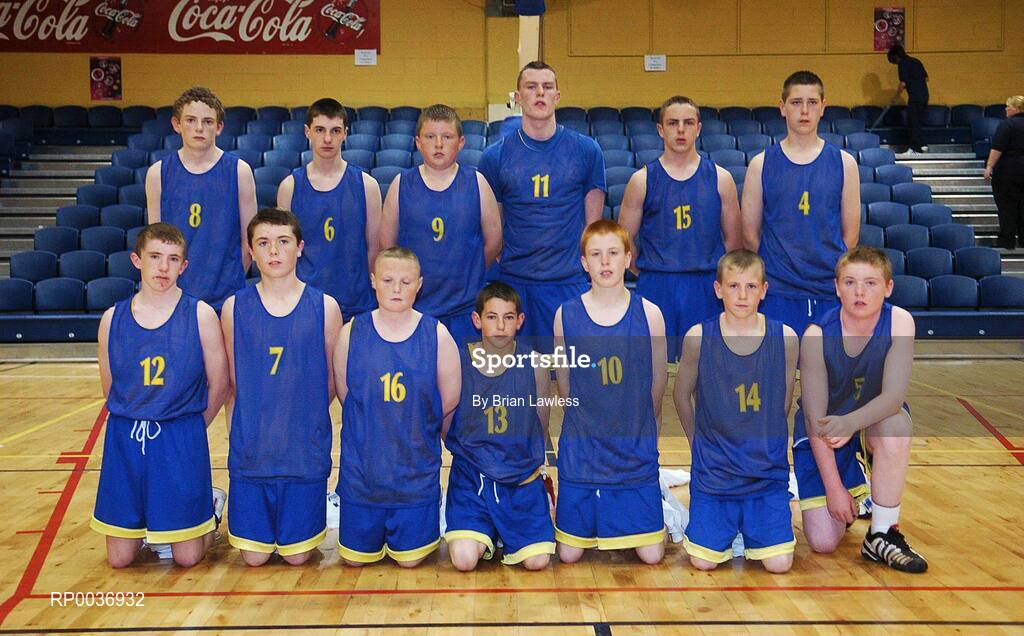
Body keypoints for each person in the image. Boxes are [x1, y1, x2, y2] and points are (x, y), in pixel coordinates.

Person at [92, 223, 229, 568]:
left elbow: (220, 383)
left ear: (184, 266)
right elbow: (111, 388)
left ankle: (210, 507)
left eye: (173, 259)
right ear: (136, 260)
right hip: (126, 438)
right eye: (154, 257)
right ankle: (150, 519)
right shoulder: (112, 319)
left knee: (187, 558)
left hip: (179, 435)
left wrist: (191, 428)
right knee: (120, 560)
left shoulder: (200, 315)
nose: (163, 267)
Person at [220, 208, 343, 566]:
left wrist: (305, 424)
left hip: (303, 454)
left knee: (298, 557)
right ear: (250, 250)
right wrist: (241, 439)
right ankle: (214, 503)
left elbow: (331, 382)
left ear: (300, 248)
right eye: (263, 243)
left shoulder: (325, 307)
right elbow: (233, 383)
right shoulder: (233, 308)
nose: (274, 251)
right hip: (253, 454)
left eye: (283, 242)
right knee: (254, 558)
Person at [795, 246, 927, 573]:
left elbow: (893, 397)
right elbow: (814, 419)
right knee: (824, 543)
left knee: (896, 427)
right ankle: (853, 483)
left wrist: (851, 422)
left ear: (888, 287)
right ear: (837, 287)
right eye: (850, 282)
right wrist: (834, 489)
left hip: (871, 421)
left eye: (870, 283)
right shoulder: (816, 335)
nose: (860, 292)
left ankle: (882, 532)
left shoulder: (899, 322)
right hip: (826, 433)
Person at [333, 247, 461, 567]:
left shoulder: (437, 335)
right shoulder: (350, 333)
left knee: (410, 562)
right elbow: (348, 395)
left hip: (414, 479)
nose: (396, 289)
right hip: (362, 478)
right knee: (355, 562)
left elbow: (449, 399)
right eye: (388, 280)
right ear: (373, 281)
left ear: (419, 284)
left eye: (406, 282)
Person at [673, 250, 799, 573]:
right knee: (702, 561)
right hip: (715, 475)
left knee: (779, 564)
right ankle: (725, 529)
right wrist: (697, 444)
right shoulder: (698, 337)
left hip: (765, 474)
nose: (742, 295)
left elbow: (783, 401)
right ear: (718, 289)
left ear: (764, 290)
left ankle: (747, 531)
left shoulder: (785, 338)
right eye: (733, 286)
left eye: (751, 286)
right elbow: (681, 395)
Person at [552, 220, 667, 564]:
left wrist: (642, 440)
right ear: (584, 262)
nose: (605, 262)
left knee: (651, 556)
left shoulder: (650, 315)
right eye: (596, 254)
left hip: (633, 454)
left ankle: (663, 509)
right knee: (569, 554)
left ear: (628, 258)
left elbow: (657, 385)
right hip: (583, 455)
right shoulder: (565, 315)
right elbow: (566, 387)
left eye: (614, 253)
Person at [478, 61, 606, 351]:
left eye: (547, 87)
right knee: (518, 372)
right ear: (517, 97)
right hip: (514, 284)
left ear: (557, 96)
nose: (540, 93)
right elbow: (493, 228)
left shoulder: (587, 150)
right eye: (531, 86)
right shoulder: (494, 157)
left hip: (568, 282)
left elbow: (593, 228)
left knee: (569, 372)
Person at [618, 95, 742, 361]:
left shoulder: (721, 179)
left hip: (705, 287)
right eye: (673, 123)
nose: (681, 130)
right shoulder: (641, 181)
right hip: (656, 285)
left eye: (688, 123)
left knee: (705, 368)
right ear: (660, 130)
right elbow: (622, 243)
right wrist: (650, 271)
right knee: (653, 368)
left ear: (699, 128)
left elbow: (734, 243)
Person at [443, 282, 555, 571]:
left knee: (537, 562)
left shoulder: (535, 364)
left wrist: (532, 463)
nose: (501, 326)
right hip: (472, 479)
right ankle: (484, 527)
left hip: (519, 480)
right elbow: (446, 420)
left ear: (520, 320)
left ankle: (513, 521)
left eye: (508, 317)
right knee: (464, 560)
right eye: (492, 317)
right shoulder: (459, 362)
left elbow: (540, 422)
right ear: (477, 319)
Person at [742, 70, 861, 336]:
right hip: (777, 291)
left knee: (826, 364)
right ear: (782, 108)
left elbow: (850, 236)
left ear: (823, 107)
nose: (804, 111)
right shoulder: (761, 164)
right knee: (779, 362)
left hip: (828, 290)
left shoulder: (844, 163)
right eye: (796, 102)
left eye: (812, 102)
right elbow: (749, 236)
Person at [379, 104, 501, 345]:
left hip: (465, 311)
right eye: (430, 137)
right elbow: (387, 246)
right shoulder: (401, 184)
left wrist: (469, 272)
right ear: (418, 142)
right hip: (415, 310)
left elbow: (494, 242)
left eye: (447, 137)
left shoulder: (477, 183)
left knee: (465, 370)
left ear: (461, 142)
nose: (438, 144)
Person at [146, 86, 258, 311]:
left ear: (219, 127)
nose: (199, 128)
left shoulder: (239, 171)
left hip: (227, 296)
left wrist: (231, 281)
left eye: (207, 122)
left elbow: (250, 242)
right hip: (174, 297)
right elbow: (155, 244)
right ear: (177, 124)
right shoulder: (158, 173)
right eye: (190, 120)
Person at [277, 97, 380, 317]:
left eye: (335, 131)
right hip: (306, 303)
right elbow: (286, 250)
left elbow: (374, 249)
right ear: (307, 132)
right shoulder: (290, 187)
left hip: (357, 303)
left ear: (345, 133)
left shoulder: (367, 185)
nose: (327, 139)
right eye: (320, 130)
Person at [984, 95, 1024, 250]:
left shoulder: (1007, 125)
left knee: (1007, 206)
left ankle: (1007, 240)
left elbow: (997, 148)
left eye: (1008, 106)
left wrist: (989, 166)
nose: (1006, 109)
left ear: (1017, 108)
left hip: (1008, 170)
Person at [887, 44, 930, 154]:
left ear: (896, 57)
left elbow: (903, 83)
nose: (895, 63)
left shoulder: (902, 64)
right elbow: (926, 78)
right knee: (918, 121)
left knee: (913, 122)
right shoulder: (916, 61)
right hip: (925, 95)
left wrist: (895, 97)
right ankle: (923, 145)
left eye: (894, 61)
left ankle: (914, 148)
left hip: (915, 97)